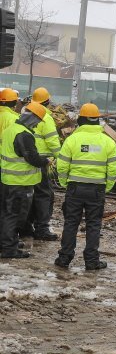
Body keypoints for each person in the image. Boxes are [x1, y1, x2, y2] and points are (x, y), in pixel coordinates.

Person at [54, 103, 116, 270]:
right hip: (97, 190)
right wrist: (107, 187)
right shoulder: (108, 142)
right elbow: (113, 168)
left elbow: (61, 165)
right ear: (97, 121)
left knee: (71, 223)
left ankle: (64, 258)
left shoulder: (72, 140)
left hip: (75, 188)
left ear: (81, 120)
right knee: (94, 225)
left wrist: (64, 183)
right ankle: (91, 261)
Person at [0, 102, 49, 258]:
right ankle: (9, 248)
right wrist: (46, 161)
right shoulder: (24, 134)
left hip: (8, 180)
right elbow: (32, 158)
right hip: (20, 183)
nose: (38, 124)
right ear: (33, 119)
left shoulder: (10, 130)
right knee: (15, 216)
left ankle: (7, 242)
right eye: (38, 121)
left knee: (7, 214)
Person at [20, 87, 60, 240]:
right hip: (43, 161)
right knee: (44, 195)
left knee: (30, 194)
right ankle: (42, 229)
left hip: (27, 160)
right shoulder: (46, 117)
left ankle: (26, 227)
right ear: (47, 102)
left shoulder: (25, 113)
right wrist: (61, 159)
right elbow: (53, 142)